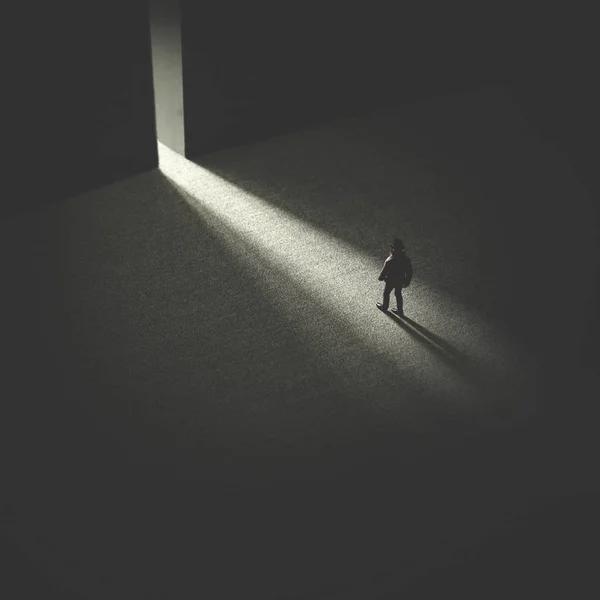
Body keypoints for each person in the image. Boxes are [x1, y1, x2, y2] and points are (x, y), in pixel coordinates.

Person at [377, 238, 413, 316]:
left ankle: (385, 307)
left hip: (390, 280)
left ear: (393, 249)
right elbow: (409, 272)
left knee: (386, 293)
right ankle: (400, 311)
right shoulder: (406, 260)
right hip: (400, 280)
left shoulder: (390, 260)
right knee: (398, 294)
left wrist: (381, 277)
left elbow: (384, 271)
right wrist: (407, 281)